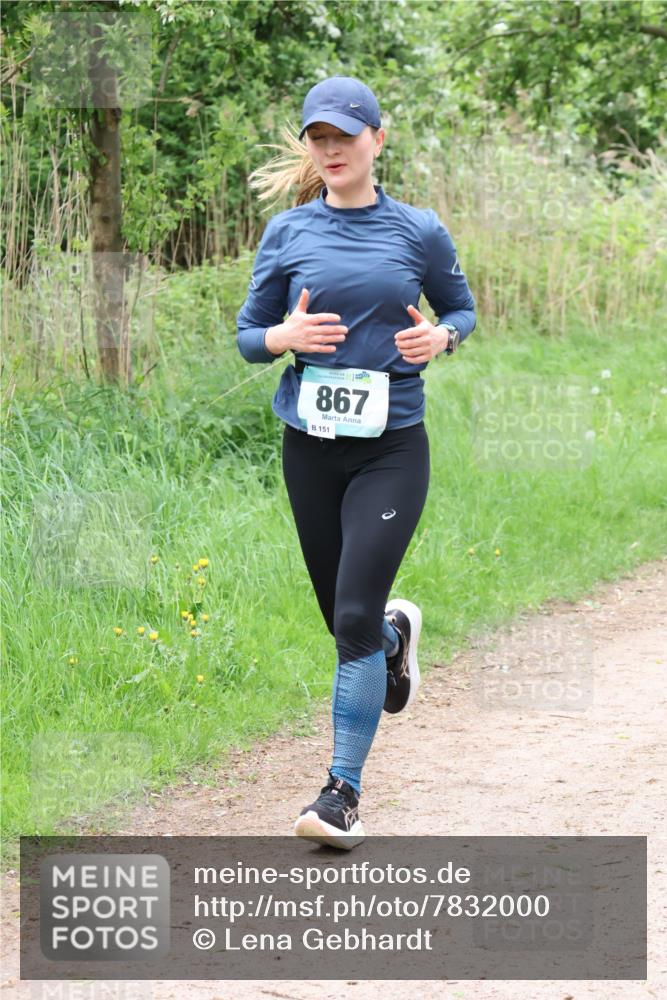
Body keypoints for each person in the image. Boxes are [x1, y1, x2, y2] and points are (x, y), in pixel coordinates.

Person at [236, 76, 476, 850]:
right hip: (308, 447)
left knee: (347, 621)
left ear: (378, 138)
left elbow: (461, 309)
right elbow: (248, 335)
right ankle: (392, 640)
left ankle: (341, 794)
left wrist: (442, 339)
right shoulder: (286, 232)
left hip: (391, 448)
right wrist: (283, 339)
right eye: (318, 137)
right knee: (343, 618)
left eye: (345, 135)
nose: (331, 149)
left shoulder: (419, 230)